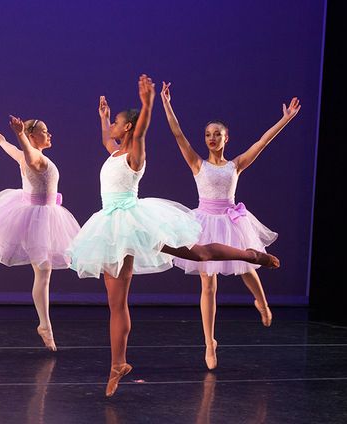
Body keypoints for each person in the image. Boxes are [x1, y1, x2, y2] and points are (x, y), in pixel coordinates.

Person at [67, 75, 280, 397]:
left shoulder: (135, 154)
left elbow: (139, 133)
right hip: (110, 226)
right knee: (116, 302)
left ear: (128, 129)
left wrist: (148, 103)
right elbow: (106, 141)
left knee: (200, 254)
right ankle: (118, 364)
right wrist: (104, 118)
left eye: (117, 124)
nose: (112, 129)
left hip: (136, 222)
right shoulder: (113, 152)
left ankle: (251, 255)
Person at [160, 81, 300, 369]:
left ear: (226, 138)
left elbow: (262, 142)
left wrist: (284, 120)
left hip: (232, 220)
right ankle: (209, 343)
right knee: (208, 284)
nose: (211, 138)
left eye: (217, 135)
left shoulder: (235, 164)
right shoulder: (198, 164)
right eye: (208, 135)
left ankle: (261, 302)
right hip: (204, 222)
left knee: (248, 264)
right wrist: (167, 104)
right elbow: (177, 134)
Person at [0, 117, 80, 351]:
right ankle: (45, 326)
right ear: (33, 137)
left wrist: (3, 141)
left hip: (34, 213)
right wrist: (20, 135)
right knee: (42, 272)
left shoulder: (28, 156)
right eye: (44, 131)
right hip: (38, 217)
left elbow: (15, 152)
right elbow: (28, 155)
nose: (49, 134)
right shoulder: (36, 158)